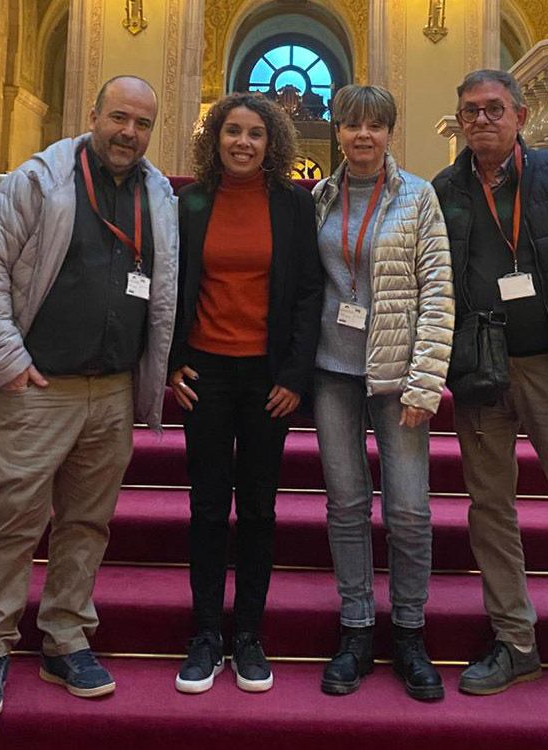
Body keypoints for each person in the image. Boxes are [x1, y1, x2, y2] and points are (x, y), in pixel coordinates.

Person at [0, 76, 178, 718]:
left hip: (113, 392)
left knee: (87, 522)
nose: (129, 133)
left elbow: (162, 292)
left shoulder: (158, 195)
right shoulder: (39, 180)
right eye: (120, 118)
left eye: (143, 124)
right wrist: (8, 365)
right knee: (14, 519)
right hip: (40, 387)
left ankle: (65, 635)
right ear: (94, 114)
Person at [432, 69, 548, 716]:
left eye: (493, 109)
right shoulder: (445, 191)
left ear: (521, 114)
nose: (480, 120)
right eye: (469, 112)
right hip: (481, 371)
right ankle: (514, 641)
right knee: (491, 510)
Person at [168, 92, 323, 695]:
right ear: (216, 137)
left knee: (258, 507)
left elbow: (310, 293)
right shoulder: (191, 203)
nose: (243, 142)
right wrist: (173, 361)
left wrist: (293, 376)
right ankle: (206, 634)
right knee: (207, 506)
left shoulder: (292, 206)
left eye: (255, 134)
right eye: (232, 131)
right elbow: (171, 286)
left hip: (267, 381)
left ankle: (249, 635)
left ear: (271, 143)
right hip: (204, 375)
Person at [309, 85, 454, 701]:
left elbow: (438, 292)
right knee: (345, 505)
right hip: (331, 372)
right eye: (351, 125)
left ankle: (411, 632)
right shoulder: (317, 198)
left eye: (374, 126)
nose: (362, 136)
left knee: (408, 510)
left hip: (398, 376)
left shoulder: (419, 198)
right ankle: (357, 628)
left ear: (391, 132)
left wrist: (426, 381)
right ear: (337, 131)